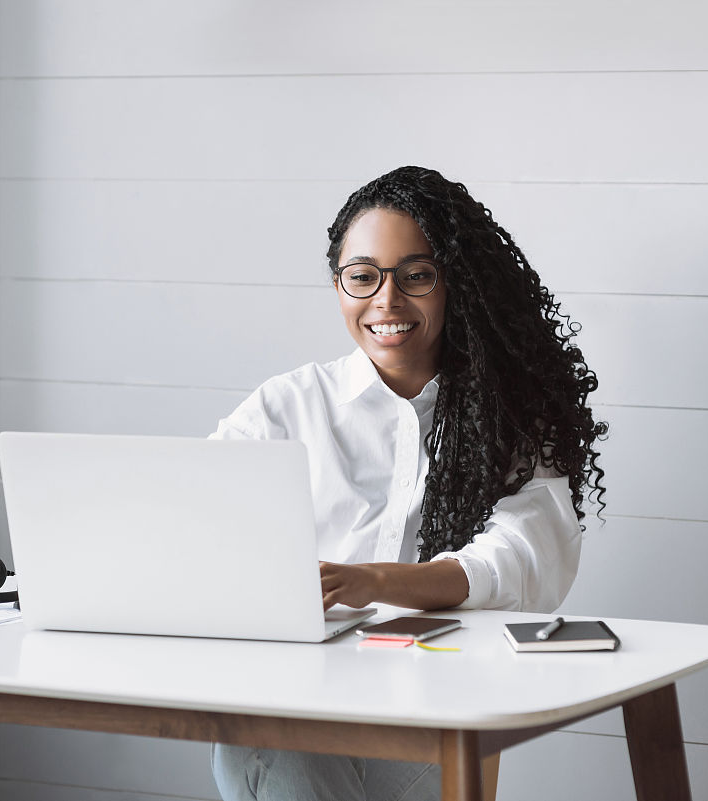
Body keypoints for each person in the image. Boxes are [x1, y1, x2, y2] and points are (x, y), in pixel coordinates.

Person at [208, 166, 607, 801]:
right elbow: (195, 517)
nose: (386, 302)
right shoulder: (288, 406)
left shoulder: (505, 416)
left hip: (429, 717)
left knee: (274, 743)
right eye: (362, 277)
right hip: (297, 695)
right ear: (339, 286)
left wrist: (372, 582)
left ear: (456, 286)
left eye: (416, 276)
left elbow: (526, 559)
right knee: (271, 732)